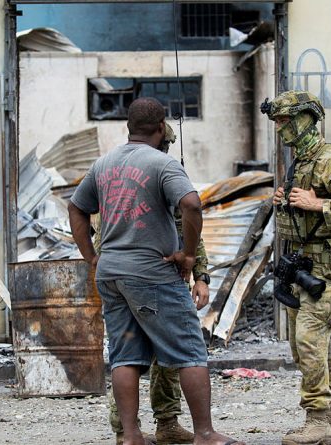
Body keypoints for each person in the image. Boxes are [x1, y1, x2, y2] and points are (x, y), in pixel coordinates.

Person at [69, 97, 243, 445]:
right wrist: (190, 257)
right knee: (189, 351)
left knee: (126, 355)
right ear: (162, 128)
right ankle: (205, 434)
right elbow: (191, 205)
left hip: (111, 275)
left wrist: (92, 257)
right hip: (152, 274)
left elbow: (75, 209)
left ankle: (130, 435)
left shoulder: (103, 164)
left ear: (128, 128)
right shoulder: (162, 164)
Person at [261, 91, 331, 445]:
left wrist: (317, 202)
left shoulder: (330, 159)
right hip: (302, 266)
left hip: (325, 268)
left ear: (304, 120)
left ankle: (317, 423)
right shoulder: (301, 161)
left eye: (284, 121)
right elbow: (303, 210)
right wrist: (286, 201)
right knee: (312, 347)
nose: (280, 129)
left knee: (310, 341)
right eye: (277, 122)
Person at [91, 122, 211, 445]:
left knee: (149, 357)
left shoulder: (163, 174)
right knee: (152, 352)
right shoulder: (128, 177)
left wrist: (200, 274)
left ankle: (161, 424)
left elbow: (189, 227)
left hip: (137, 276)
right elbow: (106, 230)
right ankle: (126, 429)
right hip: (149, 277)